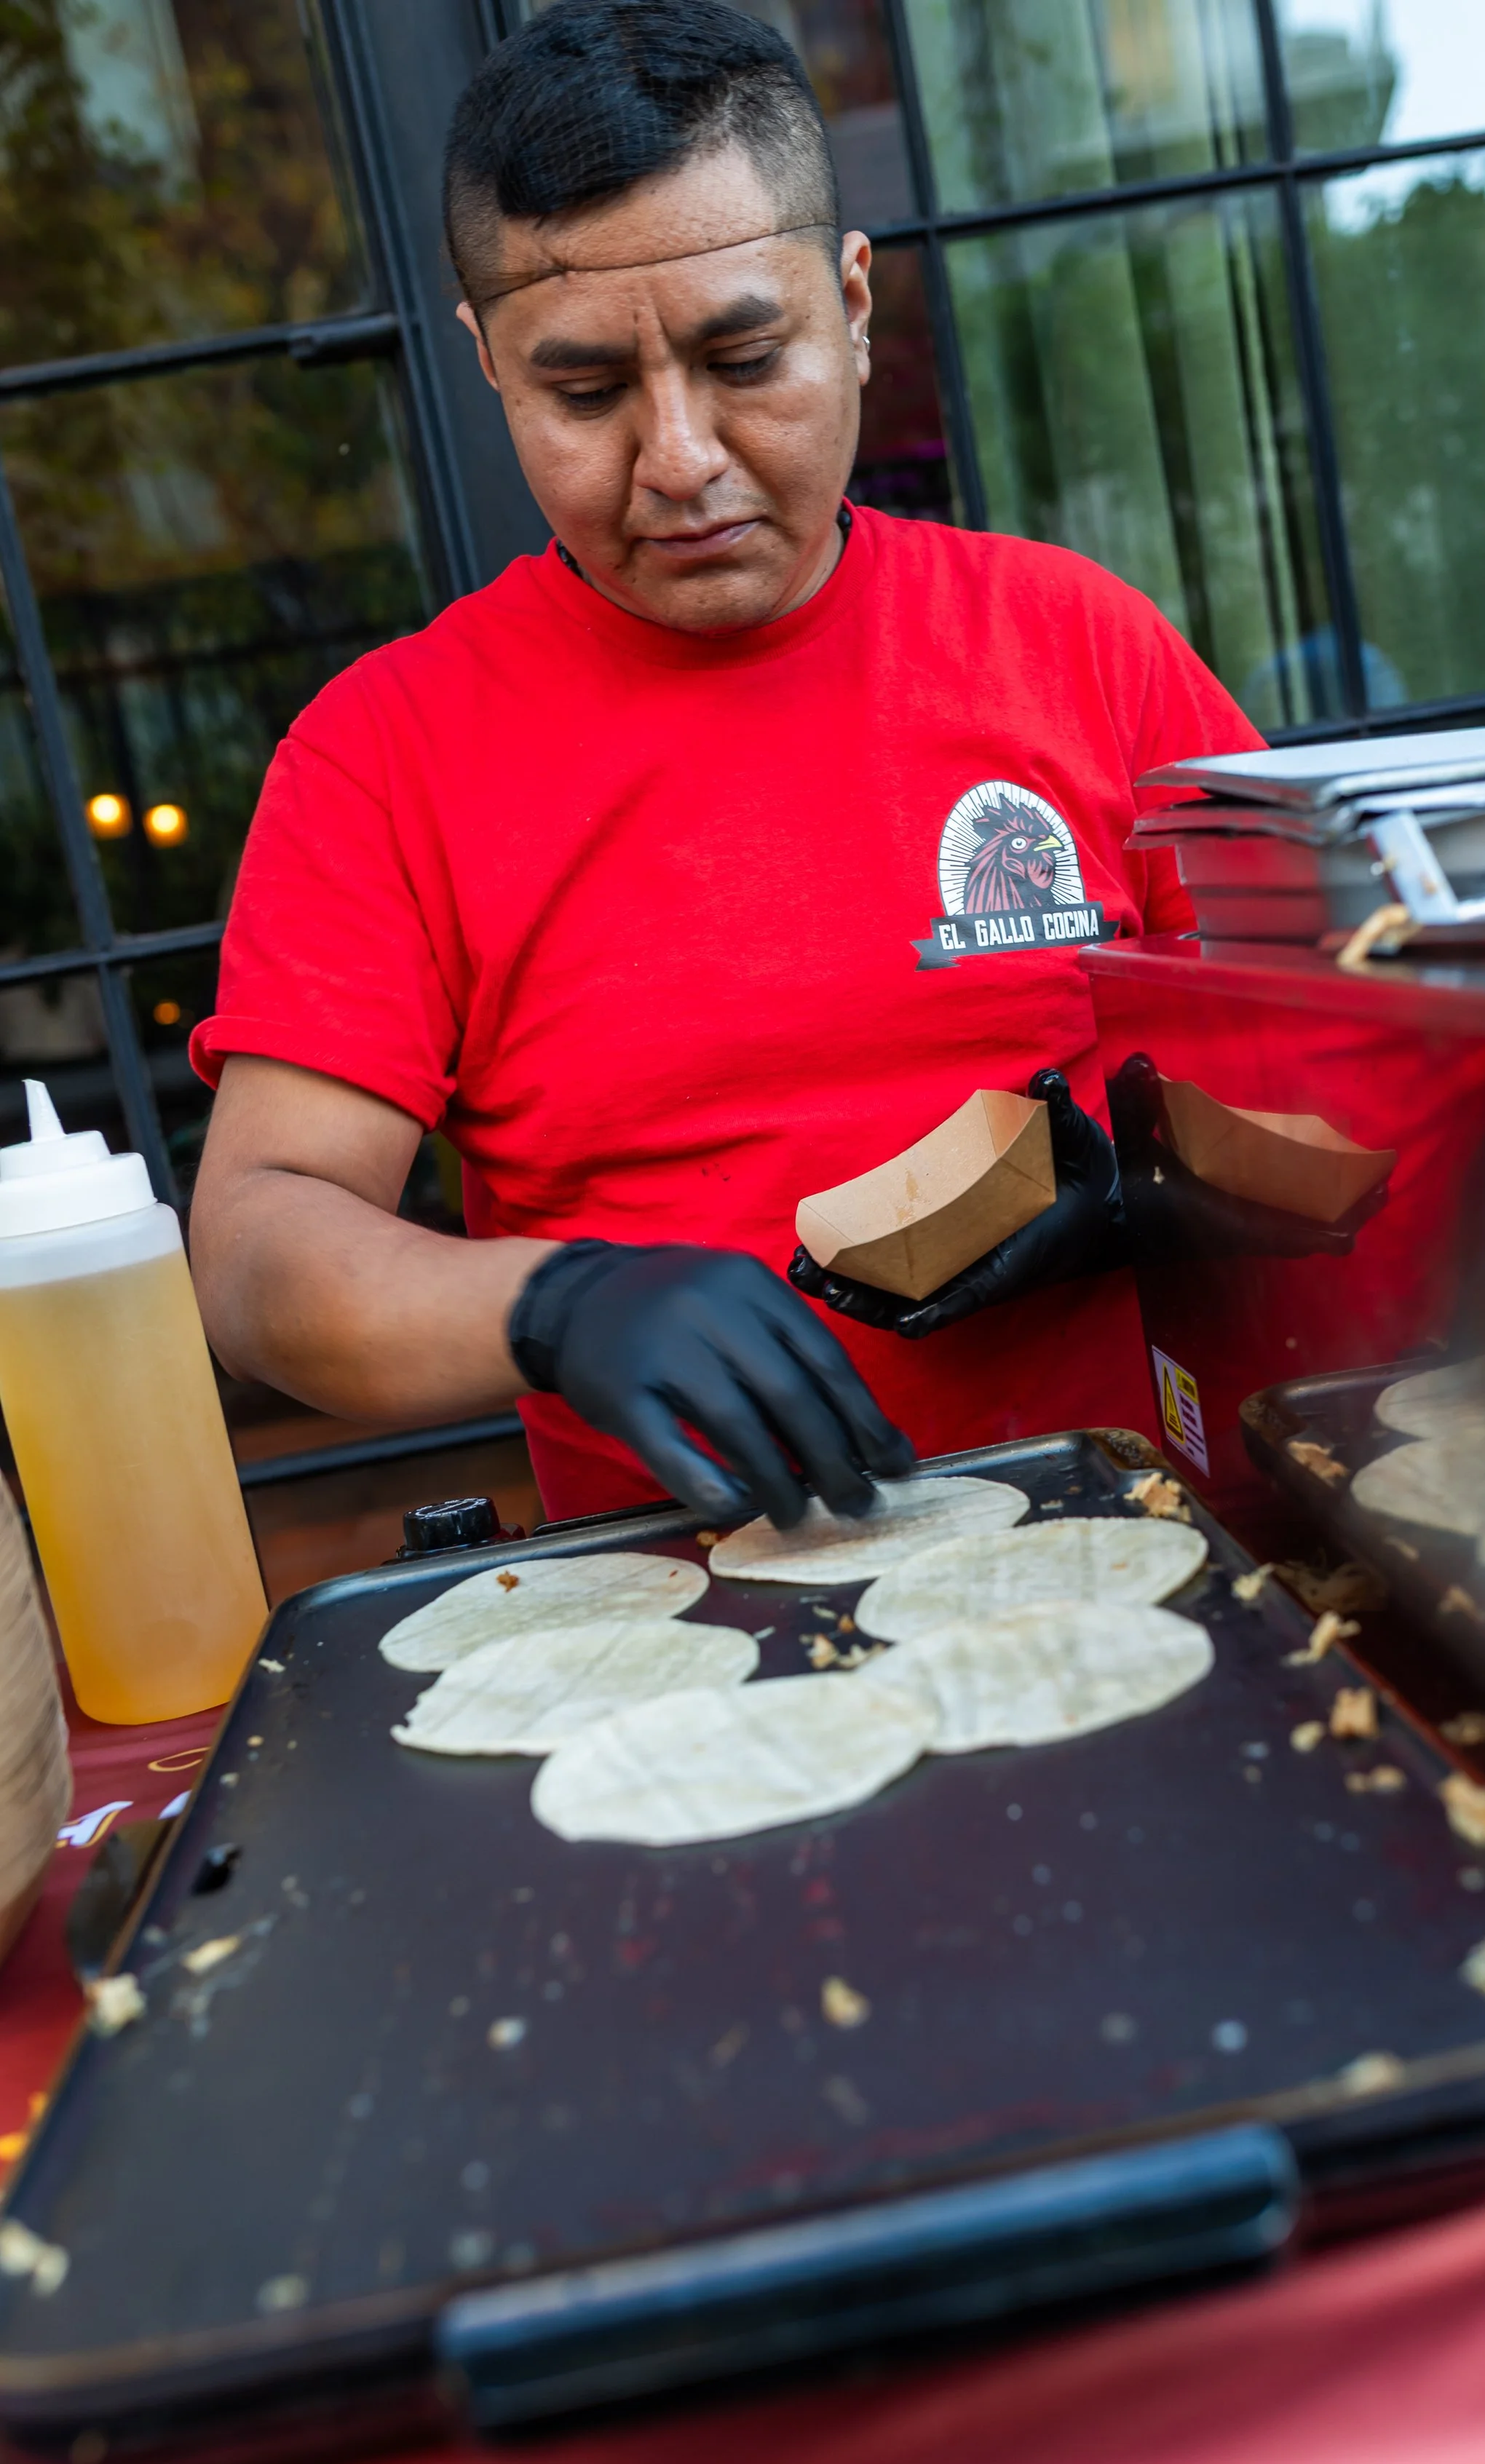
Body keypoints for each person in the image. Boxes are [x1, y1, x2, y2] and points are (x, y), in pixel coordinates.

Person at [188, 0, 1262, 1532]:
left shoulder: (1076, 644)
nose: (679, 458)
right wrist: (555, 1305)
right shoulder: (386, 756)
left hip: (1139, 1529)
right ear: (486, 362)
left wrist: (1165, 1186)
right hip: (691, 1602)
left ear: (852, 302)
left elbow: (1327, 1058)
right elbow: (255, 1250)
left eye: (744, 357)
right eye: (585, 394)